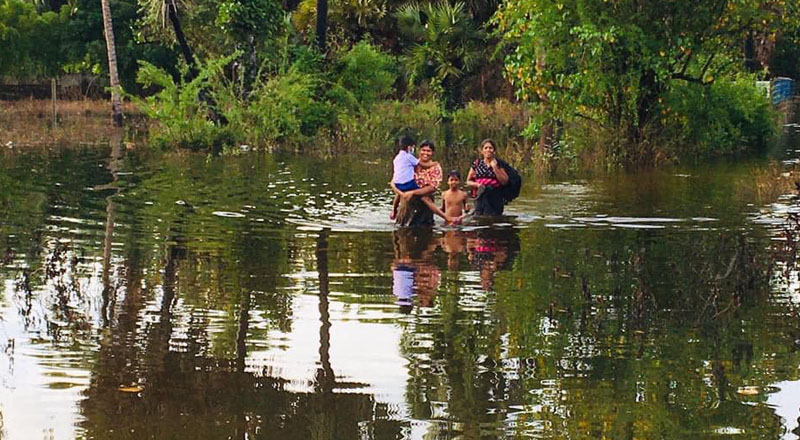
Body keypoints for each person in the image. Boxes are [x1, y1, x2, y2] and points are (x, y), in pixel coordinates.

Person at [390, 140, 454, 224]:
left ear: (432, 153)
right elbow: (395, 181)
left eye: (428, 151)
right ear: (419, 151)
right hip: (407, 201)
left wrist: (412, 192)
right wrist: (401, 193)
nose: (425, 153)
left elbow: (432, 188)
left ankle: (446, 218)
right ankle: (394, 212)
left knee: (424, 228)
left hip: (424, 204)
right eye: (423, 150)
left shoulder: (435, 167)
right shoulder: (410, 162)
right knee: (402, 229)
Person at [466, 139, 522, 216]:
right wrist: (477, 185)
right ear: (482, 151)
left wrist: (494, 167)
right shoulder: (476, 163)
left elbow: (504, 181)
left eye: (490, 148)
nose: (488, 150)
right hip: (480, 195)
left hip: (495, 197)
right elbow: (468, 181)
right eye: (486, 148)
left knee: (494, 218)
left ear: (494, 151)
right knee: (479, 218)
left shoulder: (499, 164)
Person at [390, 136, 422, 220]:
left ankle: (394, 211)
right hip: (408, 184)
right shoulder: (408, 157)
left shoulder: (396, 158)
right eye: (413, 147)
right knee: (424, 192)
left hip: (398, 184)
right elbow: (419, 164)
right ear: (409, 147)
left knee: (397, 195)